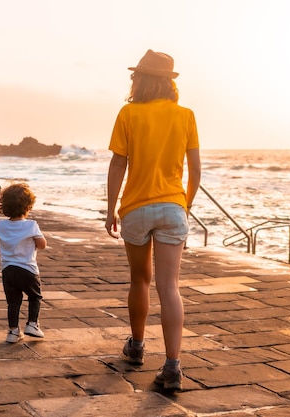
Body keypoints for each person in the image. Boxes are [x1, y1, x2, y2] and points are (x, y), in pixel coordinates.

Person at [105, 49, 201, 391]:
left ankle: (137, 346)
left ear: (141, 79)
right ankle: (173, 366)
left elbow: (118, 165)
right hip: (173, 207)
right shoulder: (185, 115)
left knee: (140, 280)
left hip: (136, 209)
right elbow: (195, 171)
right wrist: (183, 207)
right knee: (169, 286)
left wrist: (110, 208)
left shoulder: (128, 113)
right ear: (168, 83)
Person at [0, 183, 47, 343]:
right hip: (27, 269)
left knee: (13, 302)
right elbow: (42, 244)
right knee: (34, 296)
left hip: (8, 270)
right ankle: (32, 324)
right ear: (28, 206)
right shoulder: (31, 225)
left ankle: (13, 331)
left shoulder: (1, 225)